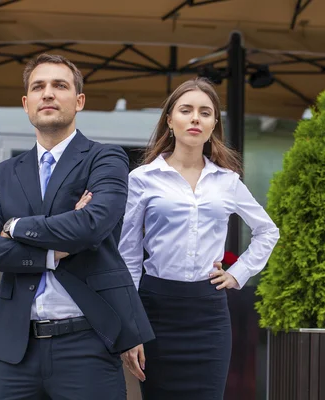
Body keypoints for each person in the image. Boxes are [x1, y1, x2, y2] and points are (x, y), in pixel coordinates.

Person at [0, 53, 155, 400]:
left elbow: (92, 225)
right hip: (15, 350)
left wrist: (15, 225)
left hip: (88, 343)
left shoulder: (106, 158)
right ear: (26, 104)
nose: (48, 93)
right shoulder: (3, 173)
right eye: (38, 87)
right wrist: (49, 255)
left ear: (79, 100)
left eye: (59, 86)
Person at [118, 78, 280, 399]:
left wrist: (238, 273)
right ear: (170, 120)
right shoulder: (142, 178)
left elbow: (267, 231)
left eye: (205, 112)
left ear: (213, 125)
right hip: (155, 309)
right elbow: (129, 256)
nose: (195, 118)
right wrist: (130, 326)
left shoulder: (227, 181)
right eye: (186, 110)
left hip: (209, 315)